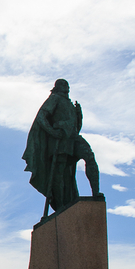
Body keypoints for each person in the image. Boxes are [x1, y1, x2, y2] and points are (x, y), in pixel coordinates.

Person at [23, 78, 101, 214]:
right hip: (60, 140)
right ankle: (60, 206)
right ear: (57, 87)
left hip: (73, 138)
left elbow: (76, 127)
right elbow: (41, 116)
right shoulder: (55, 98)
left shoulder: (70, 104)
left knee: (89, 157)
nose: (66, 86)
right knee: (59, 171)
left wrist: (79, 116)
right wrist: (52, 131)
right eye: (63, 84)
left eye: (67, 84)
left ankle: (96, 193)